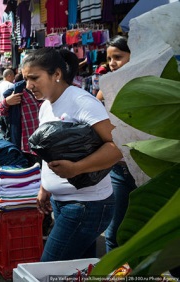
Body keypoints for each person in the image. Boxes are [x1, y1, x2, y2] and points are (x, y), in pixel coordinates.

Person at [22, 48, 122, 261]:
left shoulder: (82, 101)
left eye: (34, 78)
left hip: (87, 205)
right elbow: (49, 151)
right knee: (77, 271)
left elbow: (117, 147)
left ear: (56, 74)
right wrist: (44, 187)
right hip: (62, 202)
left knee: (48, 270)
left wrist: (77, 168)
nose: (28, 85)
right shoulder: (46, 106)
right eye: (25, 79)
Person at [95, 35, 137, 253]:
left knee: (141, 231)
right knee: (114, 233)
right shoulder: (106, 88)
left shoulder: (146, 82)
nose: (112, 63)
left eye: (118, 57)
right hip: (119, 169)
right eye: (109, 58)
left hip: (145, 168)